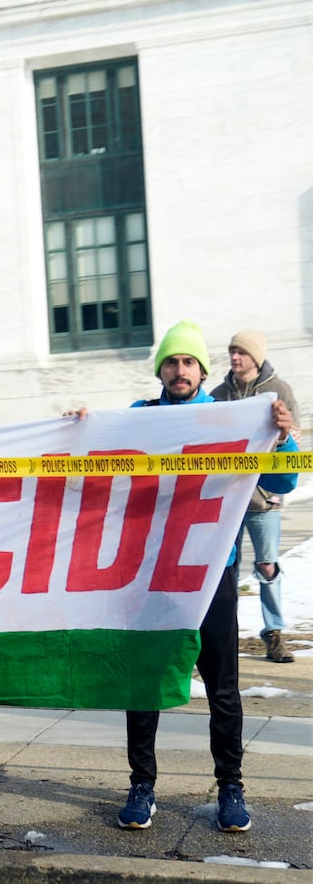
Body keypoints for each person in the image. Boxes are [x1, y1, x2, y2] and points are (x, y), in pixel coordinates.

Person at [99, 321, 298, 833]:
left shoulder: (228, 417)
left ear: (202, 371)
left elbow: (282, 481)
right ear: (160, 370)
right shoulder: (140, 419)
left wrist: (281, 436)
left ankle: (231, 787)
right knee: (143, 684)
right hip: (150, 576)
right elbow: (91, 457)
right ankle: (141, 784)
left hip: (213, 574)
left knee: (223, 688)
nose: (179, 370)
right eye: (171, 361)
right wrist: (77, 426)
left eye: (188, 362)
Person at [210, 329, 300, 663]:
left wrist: (283, 433)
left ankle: (274, 633)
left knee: (268, 566)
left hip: (264, 500)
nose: (235, 357)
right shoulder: (218, 394)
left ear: (256, 357)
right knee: (224, 570)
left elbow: (295, 441)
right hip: (228, 498)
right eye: (232, 351)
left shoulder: (281, 391)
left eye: (242, 352)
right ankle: (225, 632)